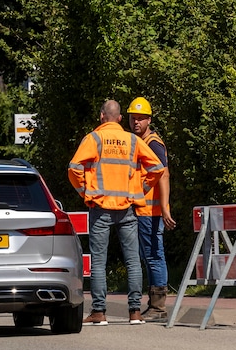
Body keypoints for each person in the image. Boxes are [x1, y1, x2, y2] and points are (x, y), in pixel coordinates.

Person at [68, 99, 164, 326]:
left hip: (100, 208)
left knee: (99, 262)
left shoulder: (94, 139)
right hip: (127, 208)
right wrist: (140, 189)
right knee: (133, 261)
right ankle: (135, 312)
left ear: (102, 116)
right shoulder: (132, 140)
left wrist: (85, 193)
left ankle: (99, 312)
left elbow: (74, 169)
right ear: (120, 118)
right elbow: (157, 168)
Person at [127, 96, 175, 321]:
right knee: (147, 256)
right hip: (142, 209)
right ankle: (154, 304)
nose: (136, 122)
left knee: (154, 256)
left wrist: (164, 208)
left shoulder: (153, 144)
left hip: (151, 212)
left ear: (149, 120)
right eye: (133, 118)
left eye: (140, 119)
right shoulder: (138, 142)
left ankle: (158, 306)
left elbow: (163, 175)